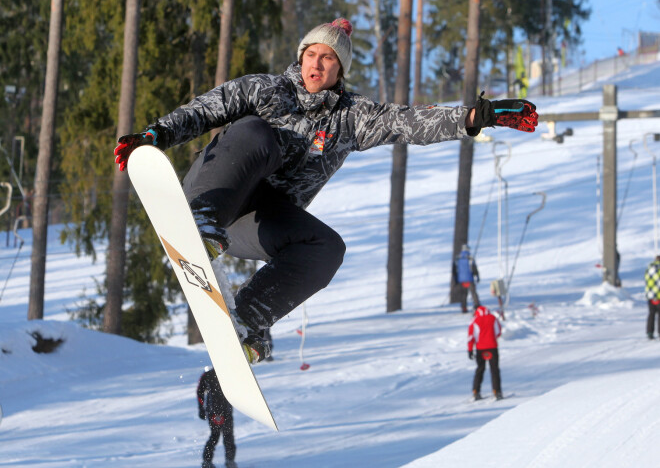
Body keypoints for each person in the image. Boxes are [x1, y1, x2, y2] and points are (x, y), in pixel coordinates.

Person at [114, 18, 538, 364]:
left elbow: (407, 121)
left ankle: (248, 318)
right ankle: (201, 222)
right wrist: (155, 136)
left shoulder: (351, 118)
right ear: (300, 58)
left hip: (253, 224)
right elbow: (207, 110)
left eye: (328, 59)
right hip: (215, 192)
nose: (317, 64)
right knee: (259, 134)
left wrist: (471, 118)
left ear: (340, 71)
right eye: (312, 55)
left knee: (327, 247)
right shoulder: (266, 89)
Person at [197, 367, 237, 468]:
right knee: (216, 435)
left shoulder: (228, 373)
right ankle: (207, 462)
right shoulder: (209, 374)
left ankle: (229, 461)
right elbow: (200, 391)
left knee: (226, 436)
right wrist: (201, 408)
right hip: (215, 411)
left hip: (224, 410)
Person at [468, 305, 503, 400]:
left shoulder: (475, 320)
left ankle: (476, 391)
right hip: (492, 347)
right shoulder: (493, 318)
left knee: (480, 369)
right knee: (494, 369)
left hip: (480, 348)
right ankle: (497, 391)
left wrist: (470, 350)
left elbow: (471, 336)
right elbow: (498, 332)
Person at [452, 244, 481, 313]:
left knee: (463, 294)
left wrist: (455, 279)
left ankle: (464, 307)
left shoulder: (457, 258)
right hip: (469, 278)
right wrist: (477, 276)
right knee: (473, 293)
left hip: (461, 279)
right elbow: (474, 268)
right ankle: (477, 306)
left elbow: (454, 270)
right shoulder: (470, 258)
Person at [644, 256, 660, 339]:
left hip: (650, 295)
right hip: (659, 295)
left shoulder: (649, 269)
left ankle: (650, 332)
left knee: (651, 314)